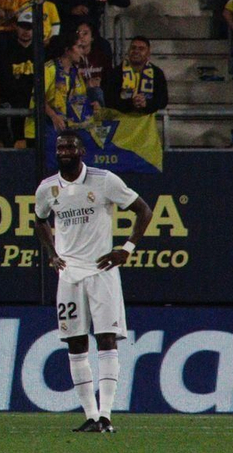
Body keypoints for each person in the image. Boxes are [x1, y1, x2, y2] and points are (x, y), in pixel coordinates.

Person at [33, 130, 153, 434]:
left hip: (102, 271)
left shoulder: (104, 180)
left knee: (107, 338)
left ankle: (107, 415)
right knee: (75, 342)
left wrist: (126, 249)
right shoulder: (47, 188)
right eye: (60, 147)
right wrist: (52, 254)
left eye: (70, 147)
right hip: (69, 274)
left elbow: (144, 210)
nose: (64, 151)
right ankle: (90, 415)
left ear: (81, 151)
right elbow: (40, 219)